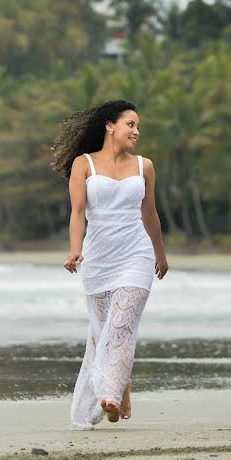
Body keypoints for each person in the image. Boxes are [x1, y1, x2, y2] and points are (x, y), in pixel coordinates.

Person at [52, 99, 168, 430]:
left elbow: (150, 214)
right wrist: (75, 250)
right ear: (110, 126)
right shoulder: (83, 164)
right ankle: (121, 384)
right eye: (130, 124)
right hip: (98, 260)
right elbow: (76, 213)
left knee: (120, 326)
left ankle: (111, 395)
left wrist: (160, 254)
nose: (136, 130)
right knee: (103, 333)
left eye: (138, 126)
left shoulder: (144, 166)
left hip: (137, 255)